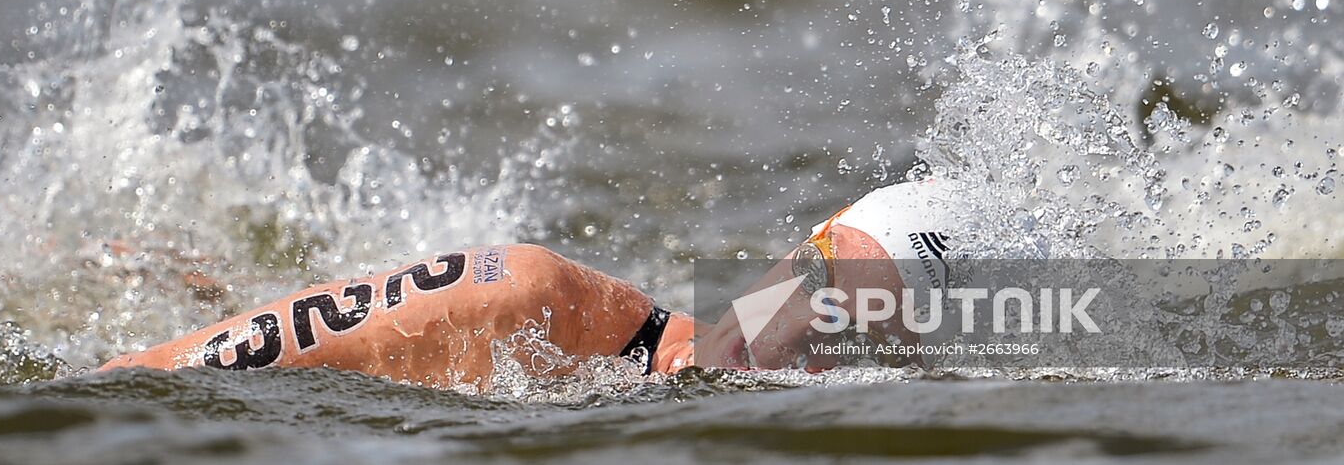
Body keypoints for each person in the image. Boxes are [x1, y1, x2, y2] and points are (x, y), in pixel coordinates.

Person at [99, 175, 960, 387]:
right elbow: (134, 385)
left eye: (861, 333)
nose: (814, 333)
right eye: (820, 283)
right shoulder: (522, 303)